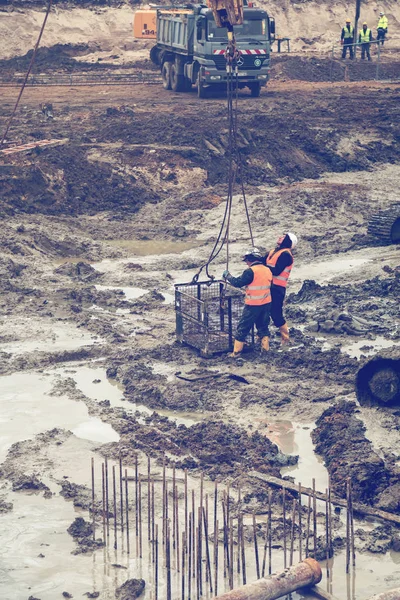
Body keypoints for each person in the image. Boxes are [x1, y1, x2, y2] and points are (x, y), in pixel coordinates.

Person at [222, 247, 272, 358]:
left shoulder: (250, 271)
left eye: (247, 261)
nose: (246, 263)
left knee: (243, 328)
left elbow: (238, 283)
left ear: (250, 259)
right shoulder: (267, 269)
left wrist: (228, 276)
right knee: (263, 327)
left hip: (253, 305)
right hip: (266, 303)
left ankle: (236, 353)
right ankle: (265, 350)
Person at [265, 232, 297, 345]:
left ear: (288, 241)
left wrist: (262, 267)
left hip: (277, 289)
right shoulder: (273, 252)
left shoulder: (286, 255)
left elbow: (277, 270)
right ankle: (263, 339)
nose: (280, 237)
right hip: (268, 286)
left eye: (283, 237)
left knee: (276, 313)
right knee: (264, 312)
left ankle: (285, 338)